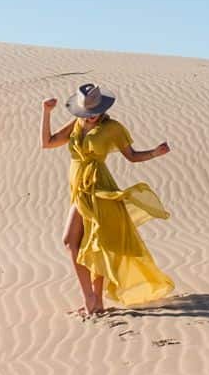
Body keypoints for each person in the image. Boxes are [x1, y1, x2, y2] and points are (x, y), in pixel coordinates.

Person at [41, 82, 175, 316]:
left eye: (94, 113)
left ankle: (91, 299)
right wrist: (46, 113)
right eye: (87, 113)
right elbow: (48, 142)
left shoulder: (113, 128)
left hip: (98, 186)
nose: (91, 117)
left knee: (75, 240)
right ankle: (95, 302)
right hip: (78, 188)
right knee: (87, 242)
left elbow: (132, 156)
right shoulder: (76, 124)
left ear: (102, 109)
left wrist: (155, 152)